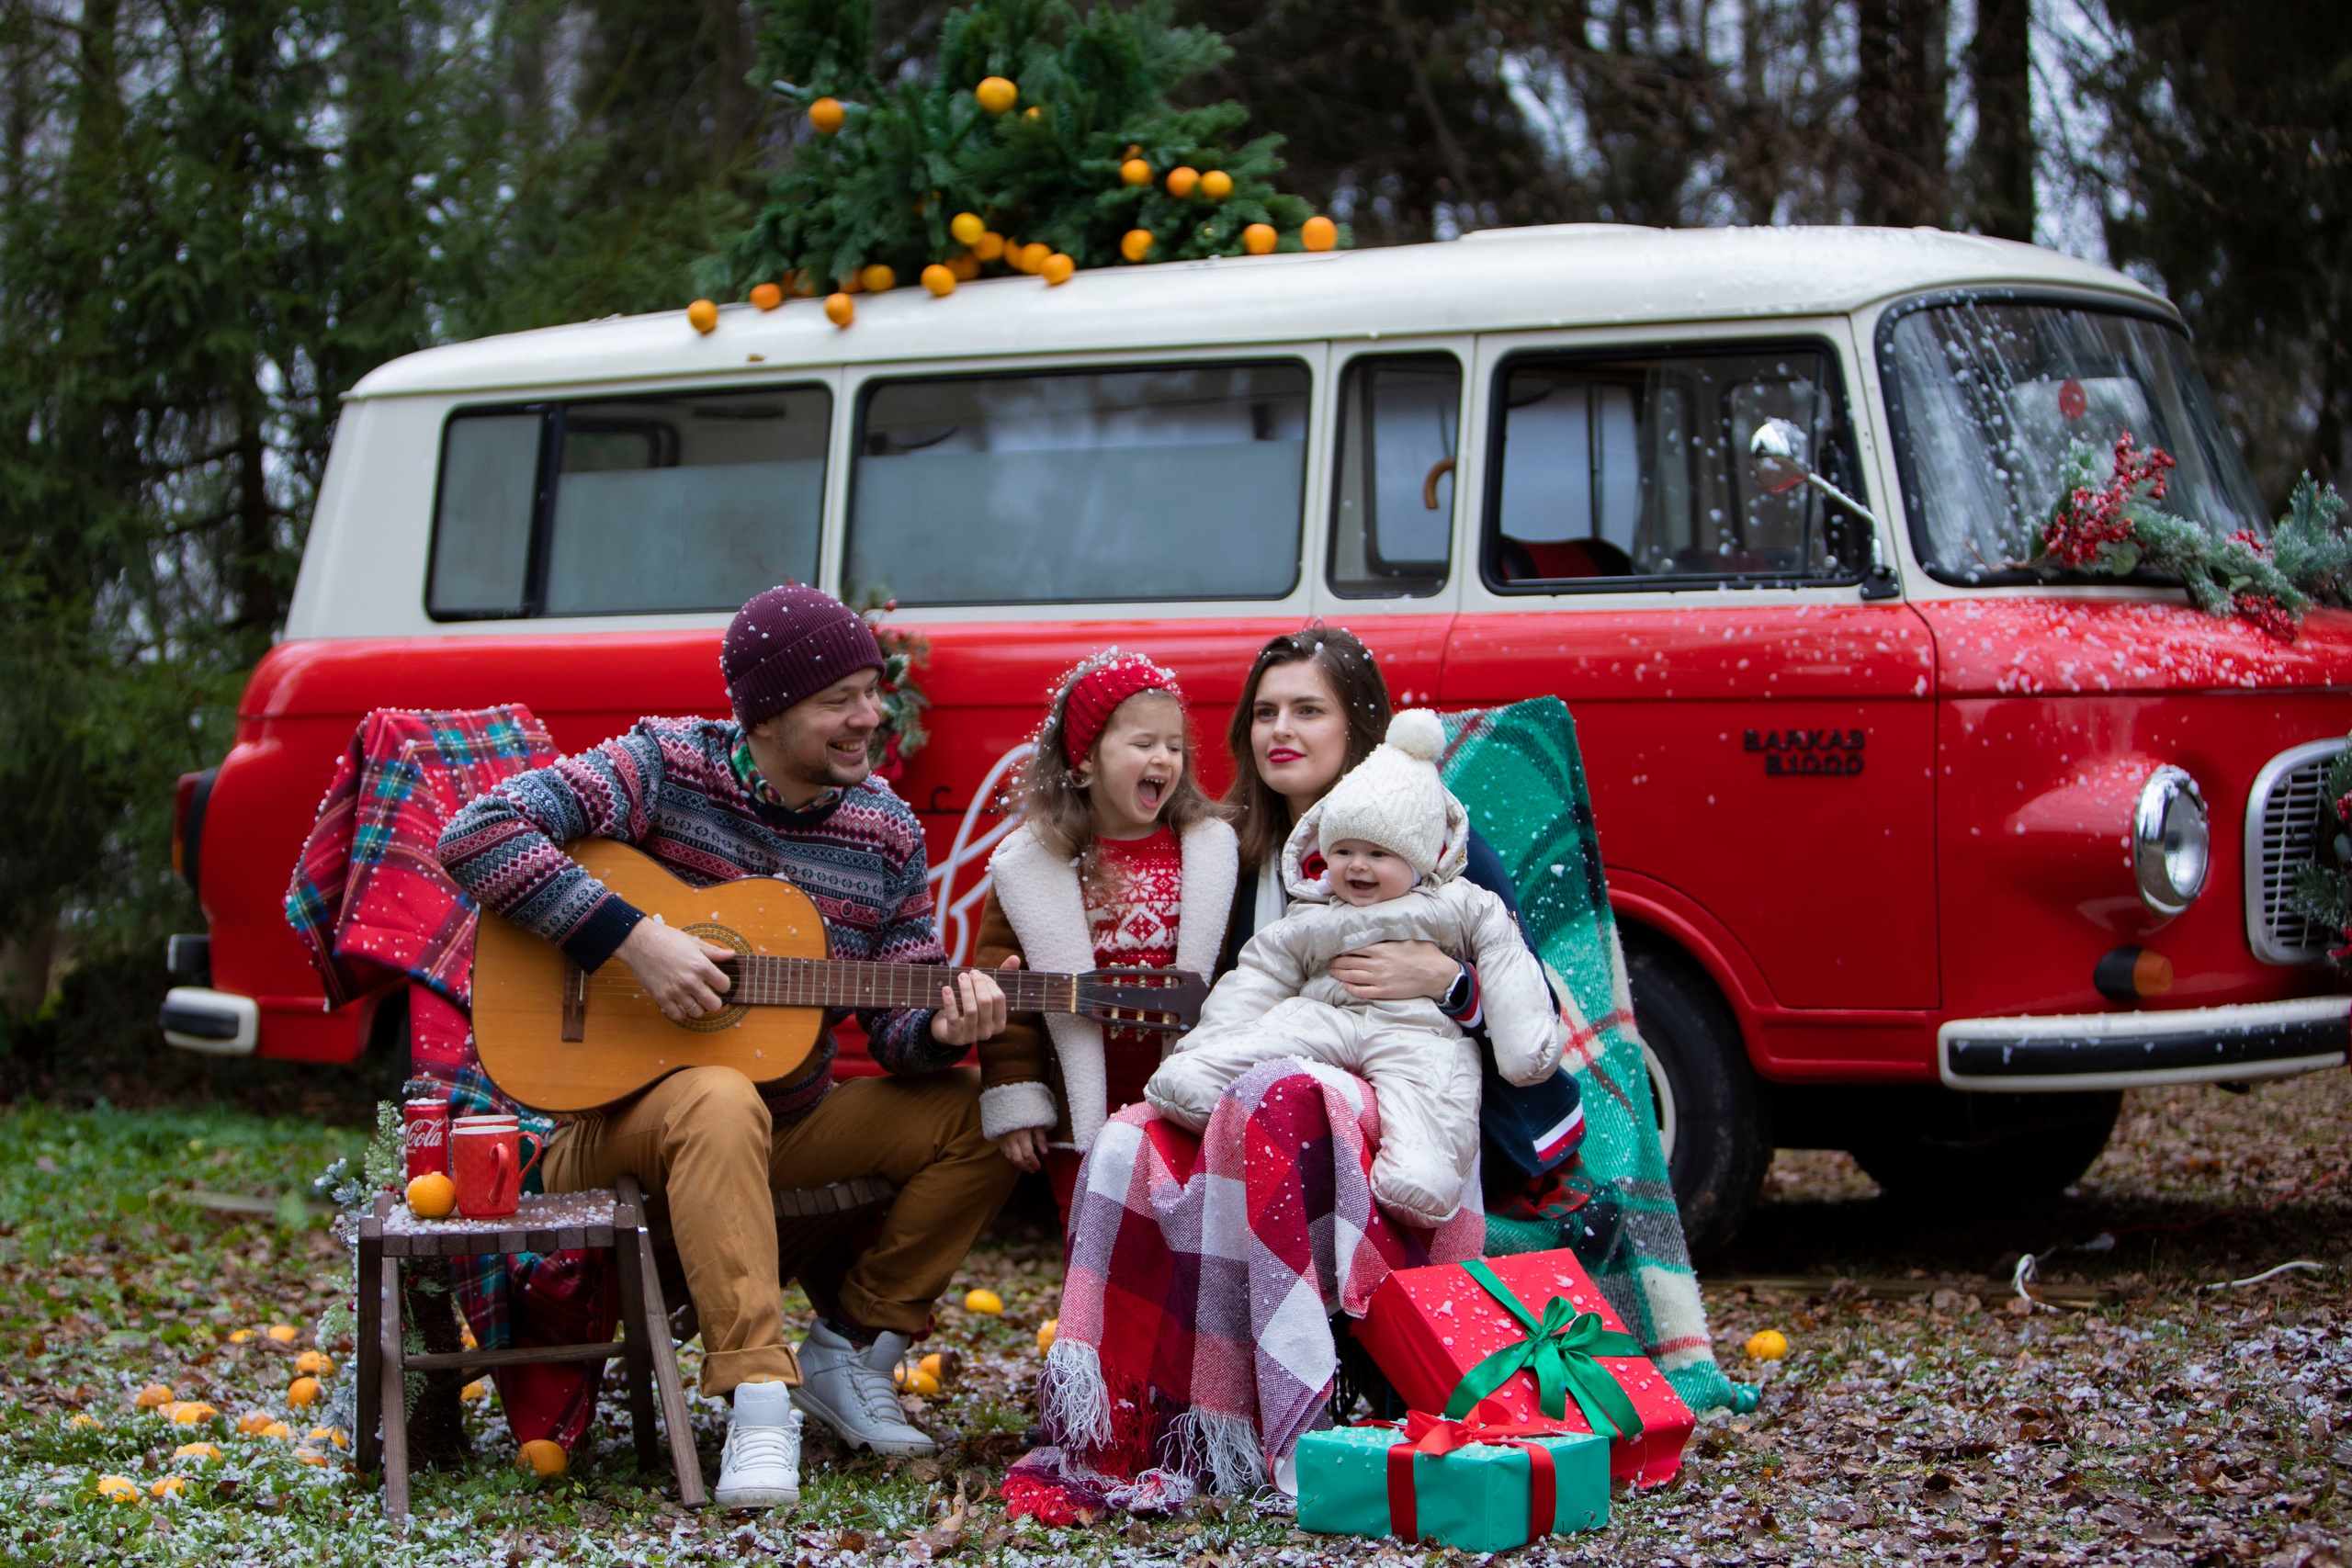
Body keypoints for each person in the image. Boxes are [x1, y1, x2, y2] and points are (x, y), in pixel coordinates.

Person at [438, 584, 1017, 1512]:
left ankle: (850, 1347)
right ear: (766, 713)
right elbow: (477, 835)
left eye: (873, 690)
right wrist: (633, 940)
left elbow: (901, 1018)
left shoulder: (886, 830)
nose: (869, 717)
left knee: (985, 1112)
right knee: (715, 1095)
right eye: (840, 700)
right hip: (613, 1125)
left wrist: (942, 1026)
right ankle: (757, 1398)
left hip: (780, 1125)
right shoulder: (663, 765)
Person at [1145, 711, 1566, 1225]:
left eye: (1377, 854)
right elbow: (1262, 971)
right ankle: (1204, 1084)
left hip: (1417, 1034)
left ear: (1418, 861)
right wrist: (1207, 1044)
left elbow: (1509, 962)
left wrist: (1473, 999)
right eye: (1342, 851)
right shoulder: (1316, 906)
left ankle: (1421, 1174)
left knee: (1429, 1095)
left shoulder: (1460, 899)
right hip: (1327, 1020)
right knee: (1269, 1038)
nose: (1357, 866)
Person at [1219, 627, 1586, 1181]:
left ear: (1358, 729)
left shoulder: (1436, 846)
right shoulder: (1241, 857)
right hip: (1287, 1106)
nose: (1281, 730)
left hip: (1443, 1116)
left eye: (1309, 710)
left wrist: (1447, 980)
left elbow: (1536, 1010)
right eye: (1265, 712)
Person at [970, 651, 1238, 1231]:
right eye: (1143, 743)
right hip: (1082, 1099)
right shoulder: (1037, 866)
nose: (1163, 757)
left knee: (1182, 1237)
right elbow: (1005, 989)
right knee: (1094, 1235)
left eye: (1174, 745)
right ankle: (1088, 1326)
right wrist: (1017, 1096)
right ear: (1084, 764)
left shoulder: (1207, 853)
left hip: (1184, 1094)